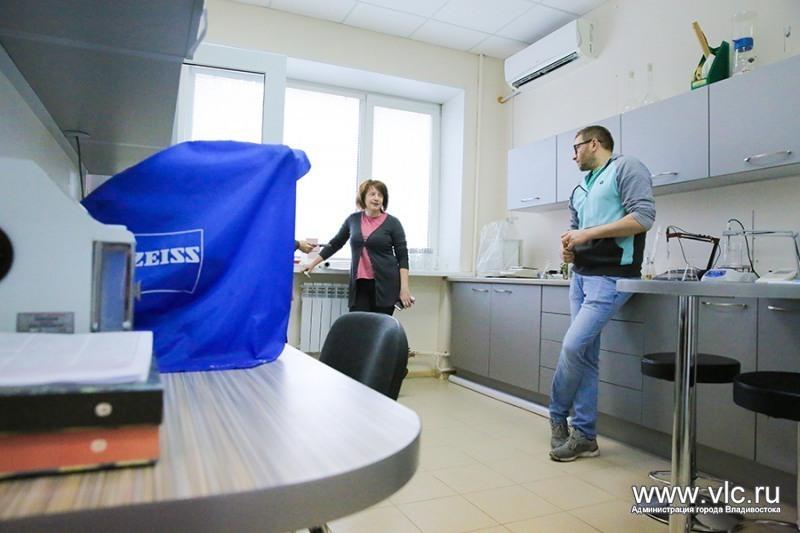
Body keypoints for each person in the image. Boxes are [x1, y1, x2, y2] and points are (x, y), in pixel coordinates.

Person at [549, 125, 655, 462]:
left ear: (594, 143)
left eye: (576, 148)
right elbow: (577, 233)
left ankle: (556, 414)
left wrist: (587, 234)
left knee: (573, 346)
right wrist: (570, 250)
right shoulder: (580, 188)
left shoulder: (626, 167)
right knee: (585, 356)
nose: (573, 156)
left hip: (611, 277)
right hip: (580, 277)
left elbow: (643, 217)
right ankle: (585, 436)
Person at [301, 179, 414, 315]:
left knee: (380, 326)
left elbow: (403, 257)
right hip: (359, 285)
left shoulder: (393, 223)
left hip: (386, 285)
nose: (377, 198)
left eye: (380, 195)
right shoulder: (353, 220)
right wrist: (312, 264)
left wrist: (404, 288)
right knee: (358, 324)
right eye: (372, 194)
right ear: (363, 197)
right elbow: (335, 243)